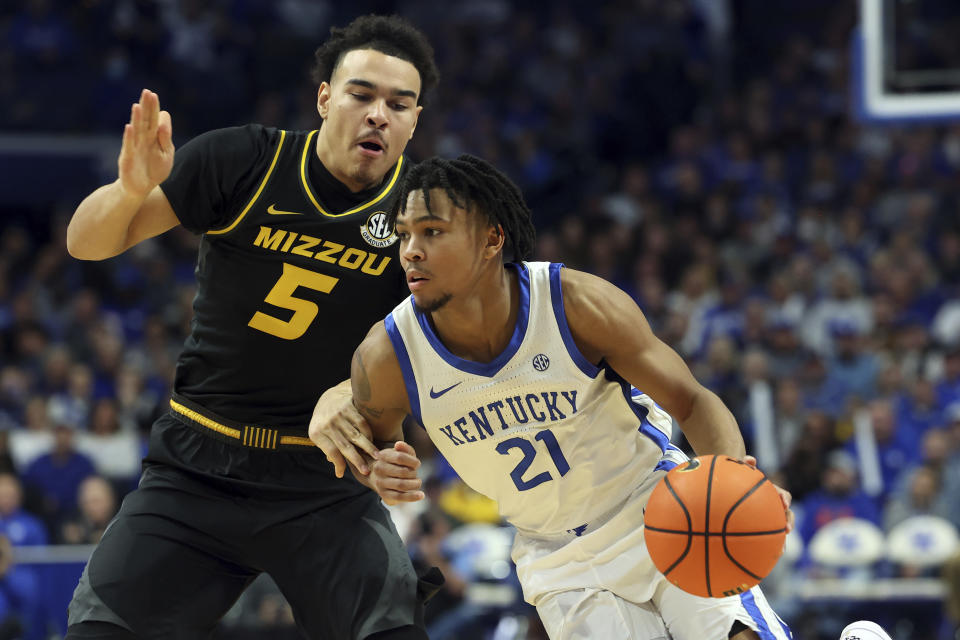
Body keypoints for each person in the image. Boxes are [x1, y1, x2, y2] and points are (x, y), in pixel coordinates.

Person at [63, 15, 440, 640]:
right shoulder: (245, 159)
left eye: (399, 105)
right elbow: (85, 242)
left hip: (325, 482)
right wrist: (129, 192)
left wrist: (380, 425)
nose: (379, 114)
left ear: (414, 122)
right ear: (324, 98)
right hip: (196, 468)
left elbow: (439, 340)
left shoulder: (423, 210)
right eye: (362, 94)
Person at [344, 155, 795, 639]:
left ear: (492, 239)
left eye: (432, 232)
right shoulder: (387, 356)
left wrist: (731, 482)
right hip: (554, 557)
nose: (411, 250)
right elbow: (374, 453)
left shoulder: (575, 304)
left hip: (655, 509)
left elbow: (690, 400)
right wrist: (379, 473)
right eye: (404, 234)